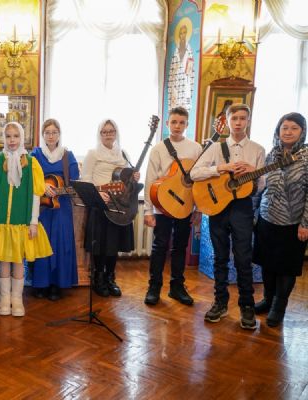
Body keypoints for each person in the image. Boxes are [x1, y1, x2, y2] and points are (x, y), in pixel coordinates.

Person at [190, 103, 265, 330]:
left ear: (248, 121)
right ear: (228, 121)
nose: (238, 122)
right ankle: (220, 302)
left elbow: (261, 185)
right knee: (220, 257)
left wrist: (253, 172)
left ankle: (247, 306)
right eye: (234, 118)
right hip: (218, 206)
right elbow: (194, 173)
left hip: (243, 207)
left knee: (243, 257)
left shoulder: (258, 149)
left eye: (243, 118)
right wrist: (221, 168)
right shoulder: (215, 148)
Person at [0, 122, 53, 317]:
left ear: (21, 138)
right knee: (4, 261)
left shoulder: (31, 163)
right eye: (8, 136)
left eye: (15, 136)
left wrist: (33, 221)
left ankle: (17, 299)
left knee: (18, 262)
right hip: (2, 223)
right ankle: (5, 299)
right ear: (3, 138)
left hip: (21, 222)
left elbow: (36, 195)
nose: (12, 140)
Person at [253, 112, 308, 327]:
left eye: (294, 128)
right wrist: (255, 213)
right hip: (267, 218)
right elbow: (262, 187)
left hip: (293, 223)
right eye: (284, 128)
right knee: (267, 263)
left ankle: (278, 306)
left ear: (302, 131)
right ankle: (268, 299)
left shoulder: (306, 157)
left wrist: (305, 223)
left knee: (286, 267)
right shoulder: (272, 155)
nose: (288, 132)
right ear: (278, 131)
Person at [143, 107, 202, 306]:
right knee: (159, 246)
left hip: (186, 205)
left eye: (181, 123)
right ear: (167, 124)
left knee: (180, 247)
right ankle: (154, 287)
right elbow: (150, 179)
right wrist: (148, 210)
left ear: (187, 125)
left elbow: (199, 180)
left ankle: (177, 287)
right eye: (174, 122)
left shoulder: (195, 148)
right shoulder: (158, 148)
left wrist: (198, 209)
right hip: (162, 204)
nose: (177, 126)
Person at [81, 119, 139, 297]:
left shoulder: (123, 154)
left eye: (111, 131)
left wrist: (135, 177)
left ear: (116, 133)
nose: (108, 134)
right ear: (99, 134)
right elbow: (86, 179)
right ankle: (98, 278)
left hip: (120, 205)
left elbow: (127, 179)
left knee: (114, 244)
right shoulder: (92, 154)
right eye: (104, 132)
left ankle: (110, 278)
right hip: (101, 204)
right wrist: (98, 193)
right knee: (100, 244)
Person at [30, 119, 80, 300]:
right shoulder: (35, 154)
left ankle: (57, 284)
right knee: (41, 243)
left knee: (59, 243)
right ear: (42, 135)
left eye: (54, 132)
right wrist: (42, 185)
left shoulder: (68, 156)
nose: (51, 136)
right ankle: (40, 284)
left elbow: (74, 182)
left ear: (59, 135)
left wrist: (62, 189)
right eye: (47, 133)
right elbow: (29, 177)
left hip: (62, 207)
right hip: (40, 207)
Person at [167, 17, 194, 112]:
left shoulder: (189, 48)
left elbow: (191, 67)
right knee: (174, 106)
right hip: (176, 81)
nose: (183, 35)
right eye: (181, 33)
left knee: (184, 107)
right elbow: (172, 68)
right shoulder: (176, 49)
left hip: (185, 81)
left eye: (184, 33)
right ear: (179, 35)